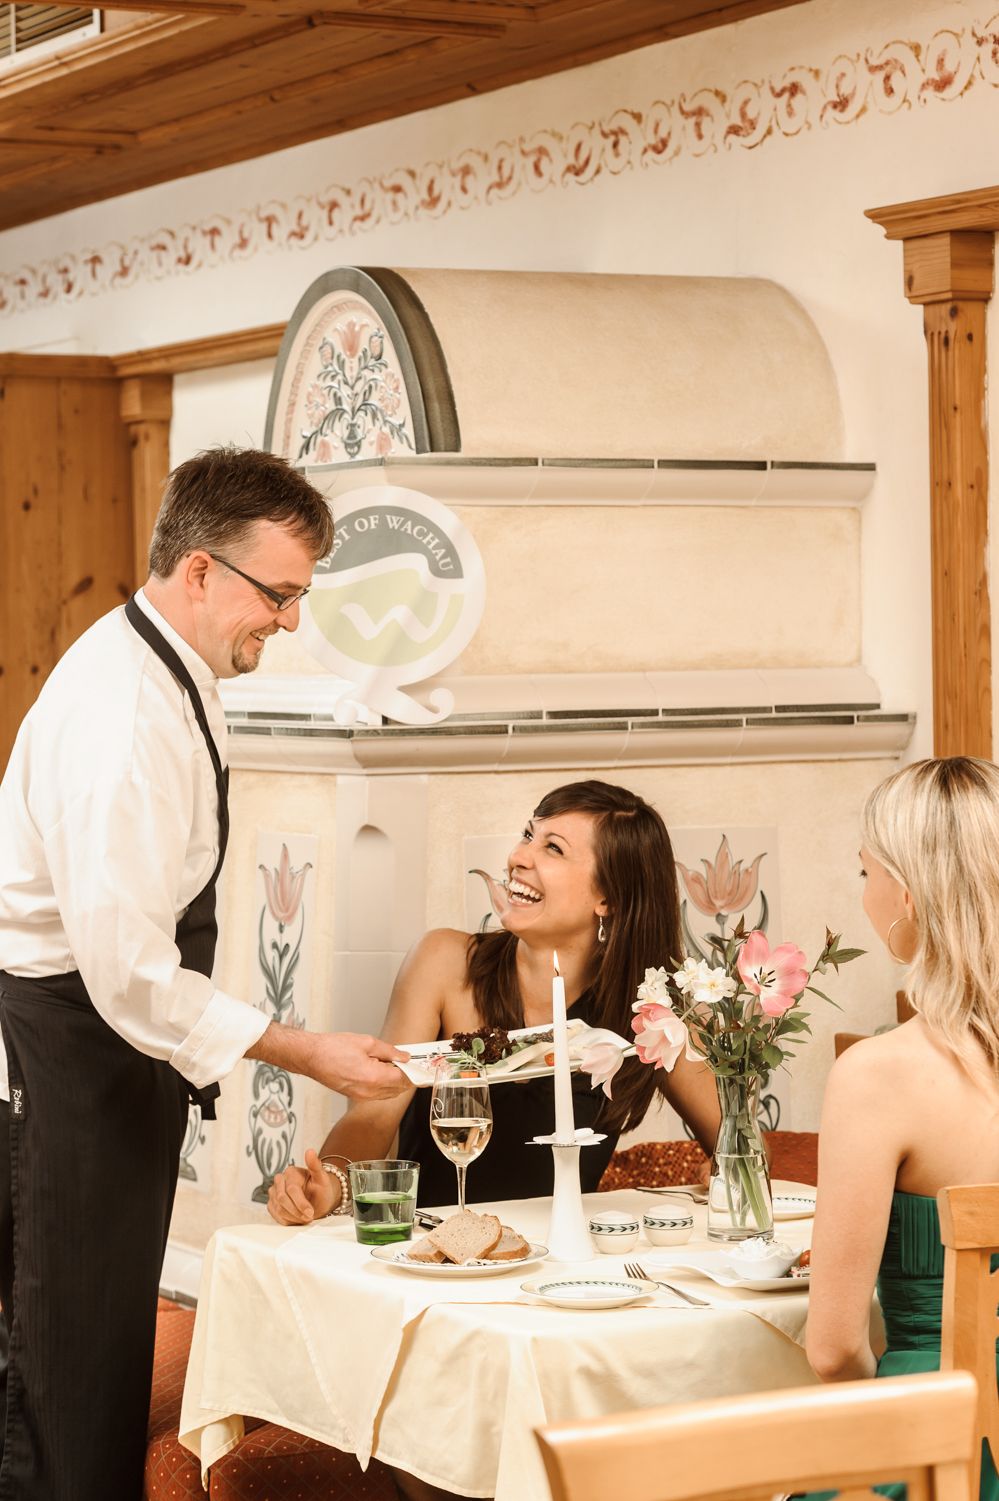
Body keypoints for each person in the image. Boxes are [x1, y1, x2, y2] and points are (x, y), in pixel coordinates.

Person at [0, 446, 409, 1501]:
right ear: (196, 570)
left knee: (97, 1368)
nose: (289, 621)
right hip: (65, 1056)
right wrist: (301, 1047)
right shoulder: (123, 719)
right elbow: (129, 973)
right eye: (278, 594)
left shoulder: (177, 669)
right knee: (60, 1391)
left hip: (109, 1057)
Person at [268, 779, 721, 1226]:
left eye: (553, 848)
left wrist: (724, 1168)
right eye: (529, 835)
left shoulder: (652, 1010)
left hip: (562, 1266)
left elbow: (735, 1140)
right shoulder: (444, 963)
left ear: (609, 897)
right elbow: (373, 1114)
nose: (518, 857)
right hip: (433, 1253)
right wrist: (330, 1183)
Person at [805, 756, 999, 1501]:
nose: (864, 895)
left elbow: (831, 1349)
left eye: (864, 872)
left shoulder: (878, 1073)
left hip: (935, 1449)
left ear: (907, 896)